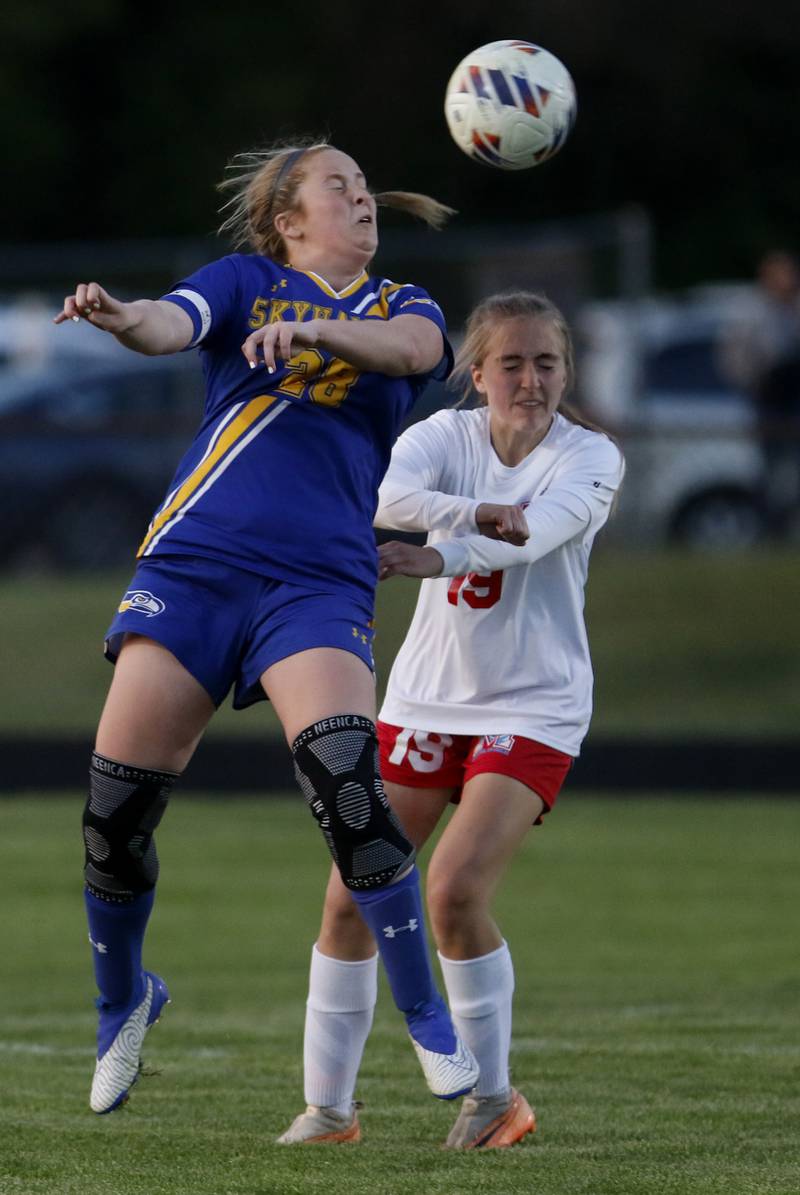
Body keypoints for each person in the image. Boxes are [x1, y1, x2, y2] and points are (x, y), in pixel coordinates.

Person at [54, 139, 481, 1116]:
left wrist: (321, 336)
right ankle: (122, 1001)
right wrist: (122, 318)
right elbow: (170, 325)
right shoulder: (245, 282)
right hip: (195, 567)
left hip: (315, 580)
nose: (364, 201)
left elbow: (414, 355)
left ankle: (428, 1022)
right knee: (113, 820)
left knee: (345, 781)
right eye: (341, 189)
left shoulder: (398, 305)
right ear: (290, 221)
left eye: (369, 190)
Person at [278, 290, 624, 1148]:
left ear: (566, 371)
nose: (530, 380)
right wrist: (465, 514)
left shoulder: (592, 458)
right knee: (352, 900)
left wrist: (438, 553)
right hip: (427, 695)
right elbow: (389, 496)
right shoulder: (441, 437)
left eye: (547, 362)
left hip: (534, 702)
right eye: (511, 363)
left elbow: (536, 534)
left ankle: (495, 1098)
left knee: (454, 891)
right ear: (477, 374)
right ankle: (328, 1112)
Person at [720, 249, 800, 534]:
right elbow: (734, 360)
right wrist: (756, 375)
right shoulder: (750, 313)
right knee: (772, 473)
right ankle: (774, 530)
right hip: (768, 400)